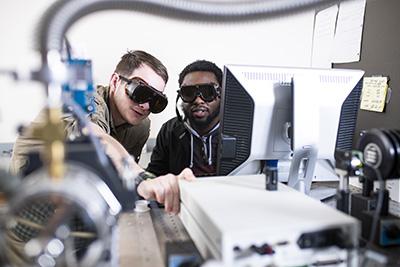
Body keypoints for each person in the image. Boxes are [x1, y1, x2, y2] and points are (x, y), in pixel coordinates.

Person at [10, 50, 195, 214]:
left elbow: (119, 178)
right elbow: (96, 138)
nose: (145, 105)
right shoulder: (87, 101)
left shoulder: (140, 127)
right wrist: (144, 181)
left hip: (75, 205)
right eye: (140, 91)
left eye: (156, 101)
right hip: (26, 207)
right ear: (115, 81)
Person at [146, 60, 223, 177]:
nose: (198, 100)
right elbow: (155, 175)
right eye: (189, 92)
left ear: (221, 94)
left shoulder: (241, 131)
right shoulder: (169, 131)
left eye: (207, 92)